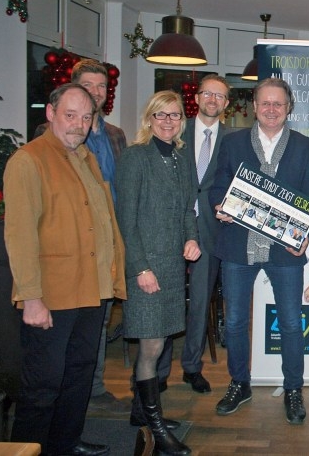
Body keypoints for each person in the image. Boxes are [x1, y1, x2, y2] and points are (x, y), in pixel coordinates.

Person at [5, 83, 126, 456]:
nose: (78, 124)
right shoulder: (29, 160)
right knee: (42, 386)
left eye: (86, 117)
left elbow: (101, 222)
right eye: (70, 115)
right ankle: (28, 449)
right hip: (52, 296)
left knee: (78, 376)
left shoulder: (86, 157)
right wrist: (32, 298)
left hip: (91, 290)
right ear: (51, 114)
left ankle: (64, 443)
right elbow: (21, 235)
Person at [210, 77, 309, 424]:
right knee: (236, 322)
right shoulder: (232, 143)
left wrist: (305, 234)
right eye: (265, 103)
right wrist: (220, 207)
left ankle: (293, 389)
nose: (271, 109)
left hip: (284, 250)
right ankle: (239, 383)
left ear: (289, 108)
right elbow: (218, 187)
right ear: (254, 106)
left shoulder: (306, 147)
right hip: (238, 246)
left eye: (278, 104)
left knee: (290, 323)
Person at [34, 58, 129, 414]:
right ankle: (67, 399)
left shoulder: (115, 136)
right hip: (68, 251)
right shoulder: (47, 142)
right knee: (62, 339)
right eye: (87, 85)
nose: (95, 92)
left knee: (99, 321)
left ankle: (94, 386)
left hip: (108, 241)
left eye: (101, 87)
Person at [116, 90, 200, 455]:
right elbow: (126, 220)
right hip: (146, 268)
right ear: (149, 119)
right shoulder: (135, 158)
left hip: (171, 264)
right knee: (151, 345)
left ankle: (143, 412)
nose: (168, 121)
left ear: (182, 121)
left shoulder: (182, 160)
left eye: (175, 115)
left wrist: (192, 239)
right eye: (161, 115)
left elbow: (187, 210)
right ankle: (158, 429)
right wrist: (139, 268)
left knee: (163, 339)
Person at [178, 74, 231, 393]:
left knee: (199, 303)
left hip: (211, 232)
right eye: (208, 94)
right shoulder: (174, 128)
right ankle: (154, 370)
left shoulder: (232, 139)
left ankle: (191, 366)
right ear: (196, 98)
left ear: (226, 104)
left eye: (220, 96)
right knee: (165, 300)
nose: (213, 100)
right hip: (170, 227)